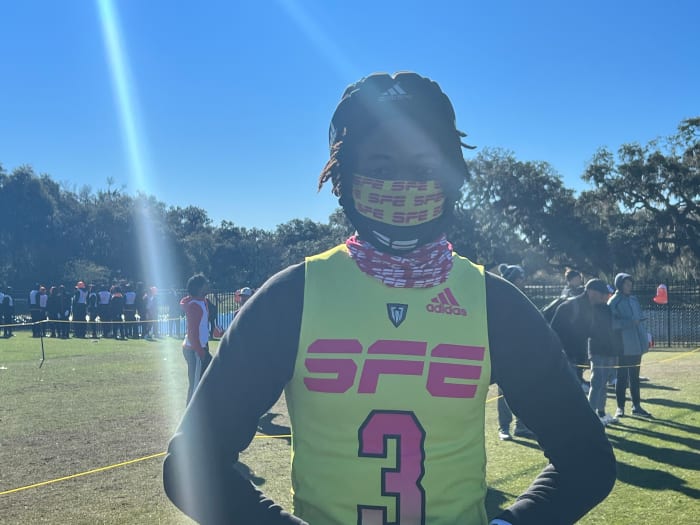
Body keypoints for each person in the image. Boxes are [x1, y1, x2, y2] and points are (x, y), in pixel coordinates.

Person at [163, 72, 615, 525]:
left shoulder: (495, 304)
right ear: (343, 175)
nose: (403, 185)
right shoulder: (290, 298)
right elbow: (190, 467)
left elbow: (587, 460)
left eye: (424, 169)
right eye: (380, 169)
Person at [495, 263, 536, 441]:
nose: (523, 281)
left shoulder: (523, 297)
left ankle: (522, 425)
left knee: (525, 389)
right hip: (504, 351)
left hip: (522, 350)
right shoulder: (499, 298)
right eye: (520, 278)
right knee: (504, 391)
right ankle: (504, 427)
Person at [550, 278, 610, 390]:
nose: (604, 297)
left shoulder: (595, 308)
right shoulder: (569, 306)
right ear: (591, 292)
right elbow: (553, 332)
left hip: (578, 355)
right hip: (565, 355)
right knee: (568, 388)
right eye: (602, 294)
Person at [609, 273, 652, 418]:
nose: (630, 286)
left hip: (636, 343)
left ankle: (636, 406)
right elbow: (611, 323)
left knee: (634, 377)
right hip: (622, 344)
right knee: (621, 377)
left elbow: (638, 318)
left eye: (630, 283)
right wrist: (629, 323)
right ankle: (620, 407)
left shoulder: (634, 300)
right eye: (626, 284)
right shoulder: (613, 301)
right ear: (619, 285)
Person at [587, 291, 620, 426]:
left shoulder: (607, 309)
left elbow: (612, 330)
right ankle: (590, 414)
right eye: (605, 294)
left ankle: (601, 412)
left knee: (604, 383)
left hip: (608, 351)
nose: (608, 296)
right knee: (597, 382)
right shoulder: (592, 309)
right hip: (597, 351)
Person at [180, 274, 212, 405]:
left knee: (204, 382)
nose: (208, 285)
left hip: (200, 347)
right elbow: (193, 334)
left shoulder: (202, 301)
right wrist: (201, 352)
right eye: (205, 284)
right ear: (199, 288)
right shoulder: (195, 306)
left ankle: (202, 410)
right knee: (195, 386)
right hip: (195, 350)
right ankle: (190, 415)